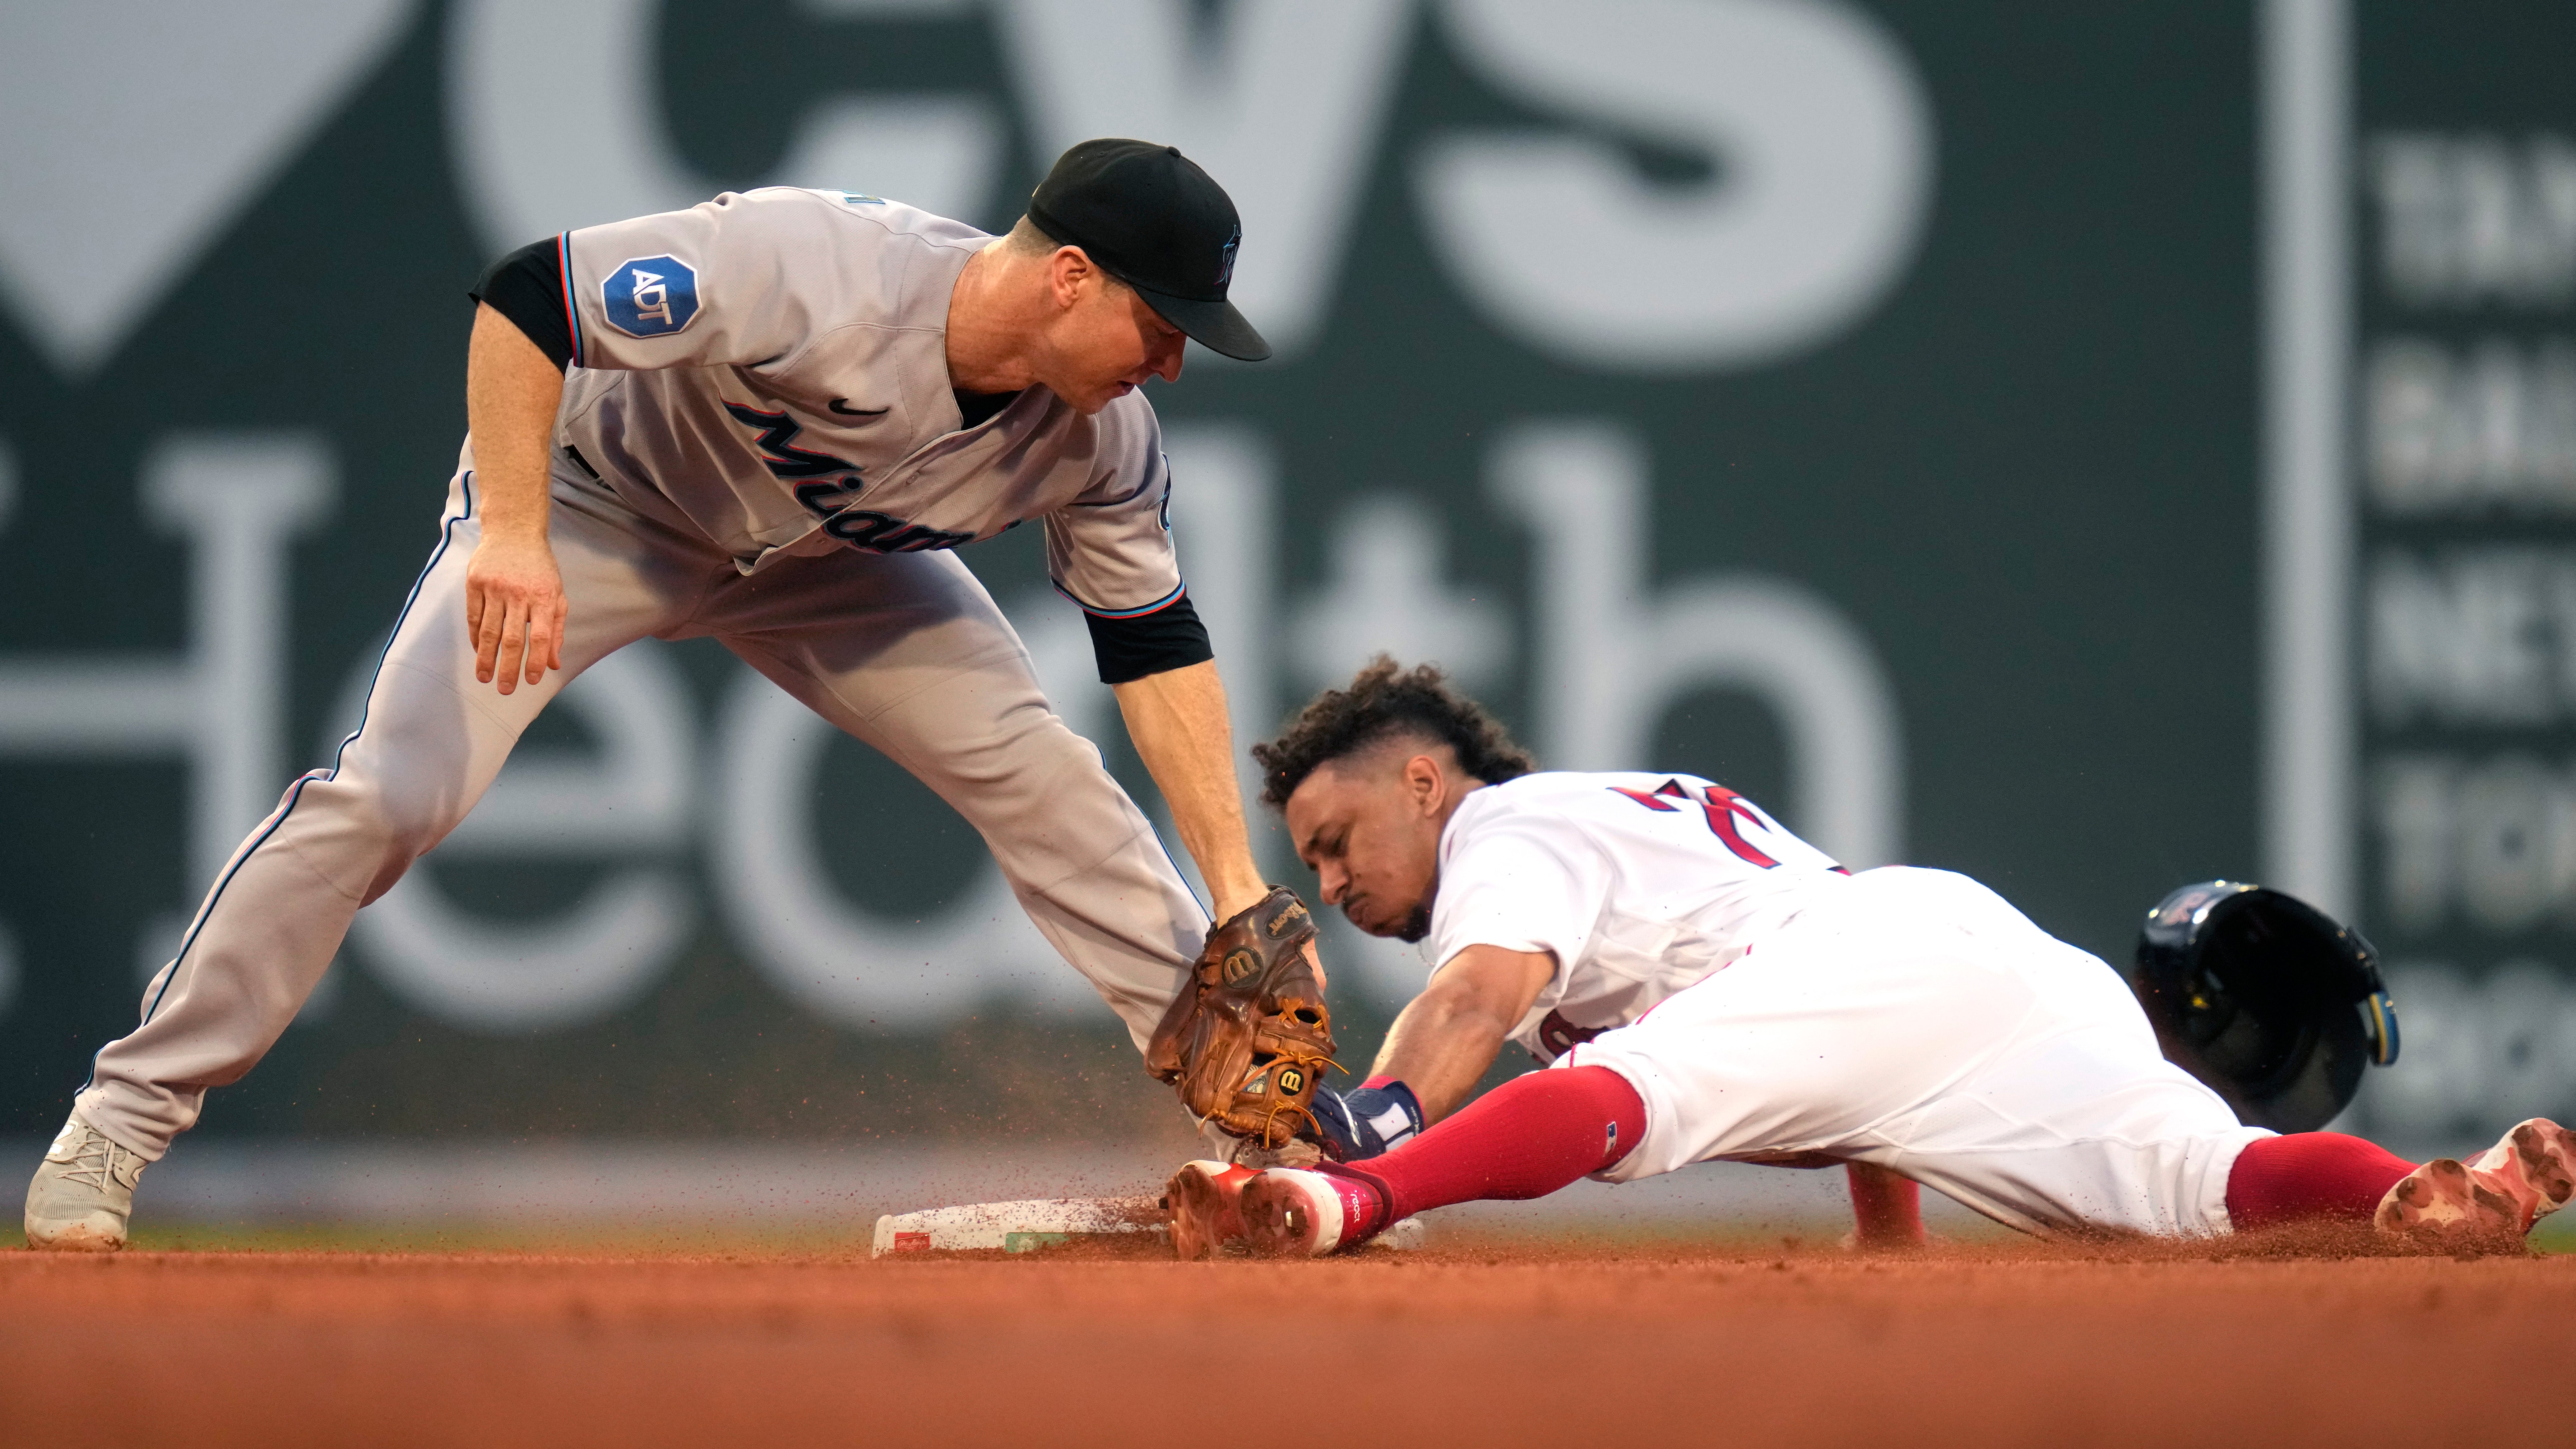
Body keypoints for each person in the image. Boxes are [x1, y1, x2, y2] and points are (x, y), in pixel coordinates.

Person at [27, 139, 1304, 1251]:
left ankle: (1274, 1145)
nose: (1173, 365)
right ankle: (119, 1124)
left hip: (820, 567)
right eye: (1163, 325)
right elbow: (533, 294)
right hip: (593, 508)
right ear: (1070, 275)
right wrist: (514, 531)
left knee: (1039, 772)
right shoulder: (814, 263)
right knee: (390, 798)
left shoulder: (1104, 440)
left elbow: (1154, 646)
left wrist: (1236, 888)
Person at [1163, 659, 2576, 1258]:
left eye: (1336, 836)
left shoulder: (1504, 830)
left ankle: (1342, 1209)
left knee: (1626, 1106)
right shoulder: (1602, 836)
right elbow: (1849, 1055)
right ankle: (2432, 1193)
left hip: (1882, 961)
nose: (1333, 880)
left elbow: (1474, 996)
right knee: (2213, 1186)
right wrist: (1885, 1252)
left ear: (1420, 780)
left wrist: (1369, 1142)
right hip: (1995, 965)